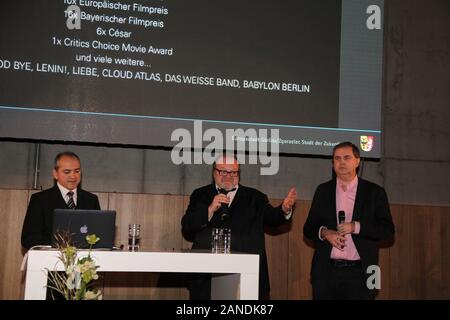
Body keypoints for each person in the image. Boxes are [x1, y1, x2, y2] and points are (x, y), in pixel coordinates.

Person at [181, 154, 297, 299]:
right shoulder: (200, 195)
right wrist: (209, 210)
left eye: (234, 172)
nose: (228, 176)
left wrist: (284, 209)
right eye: (223, 171)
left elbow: (273, 218)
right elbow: (187, 226)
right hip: (206, 276)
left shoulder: (255, 197)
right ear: (214, 172)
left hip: (246, 274)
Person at [303, 142, 395, 299]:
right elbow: (308, 228)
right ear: (333, 164)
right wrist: (325, 233)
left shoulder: (374, 192)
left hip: (361, 273)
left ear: (357, 161)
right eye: (337, 158)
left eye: (347, 157)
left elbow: (387, 230)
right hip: (326, 273)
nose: (342, 162)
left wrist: (356, 226)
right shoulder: (323, 190)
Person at [21, 151, 100, 250]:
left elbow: (97, 236)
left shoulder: (91, 200)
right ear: (55, 174)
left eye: (77, 171)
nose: (73, 176)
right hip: (50, 260)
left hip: (84, 262)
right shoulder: (40, 200)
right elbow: (28, 239)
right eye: (67, 172)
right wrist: (62, 244)